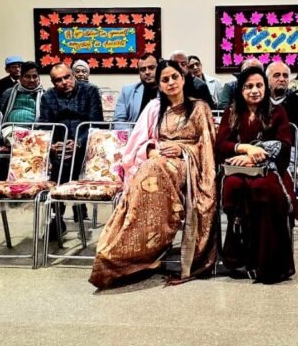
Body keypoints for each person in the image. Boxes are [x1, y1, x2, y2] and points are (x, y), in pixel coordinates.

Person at [89, 60, 217, 289]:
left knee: (153, 170)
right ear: (159, 85)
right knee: (147, 175)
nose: (171, 82)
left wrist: (183, 150)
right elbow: (139, 143)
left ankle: (143, 252)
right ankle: (125, 252)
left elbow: (207, 145)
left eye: (174, 77)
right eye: (165, 79)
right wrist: (151, 150)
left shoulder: (199, 108)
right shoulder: (156, 109)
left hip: (187, 166)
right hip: (157, 163)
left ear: (183, 79)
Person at [216, 66, 297, 283]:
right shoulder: (232, 112)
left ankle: (268, 264)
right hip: (236, 169)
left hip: (269, 168)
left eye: (259, 85)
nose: (254, 90)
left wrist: (255, 156)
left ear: (265, 87)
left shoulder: (277, 112)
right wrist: (245, 149)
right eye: (248, 86)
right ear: (241, 90)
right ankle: (239, 259)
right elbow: (221, 145)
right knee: (234, 186)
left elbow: (284, 145)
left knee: (264, 189)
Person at [38, 63, 103, 234]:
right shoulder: (48, 97)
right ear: (53, 83)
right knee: (61, 161)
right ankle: (67, 211)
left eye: (67, 77)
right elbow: (45, 125)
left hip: (86, 143)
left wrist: (78, 143)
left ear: (73, 75)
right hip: (60, 145)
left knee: (66, 163)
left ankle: (58, 215)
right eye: (58, 80)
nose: (64, 82)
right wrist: (53, 145)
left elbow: (96, 123)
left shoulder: (90, 91)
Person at [267, 61, 298, 147]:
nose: (282, 79)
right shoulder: (260, 102)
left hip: (291, 148)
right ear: (267, 79)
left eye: (285, 76)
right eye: (277, 75)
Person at [113, 54, 158, 123]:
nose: (147, 72)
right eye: (142, 69)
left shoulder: (167, 91)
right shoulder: (127, 91)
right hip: (133, 129)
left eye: (151, 68)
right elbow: (118, 121)